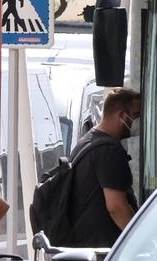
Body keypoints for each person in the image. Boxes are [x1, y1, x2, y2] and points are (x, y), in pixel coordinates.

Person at [57, 88, 141, 248]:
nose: (139, 121)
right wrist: (140, 242)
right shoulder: (109, 151)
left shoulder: (87, 141)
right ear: (122, 116)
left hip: (84, 246)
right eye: (136, 115)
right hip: (102, 251)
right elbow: (117, 207)